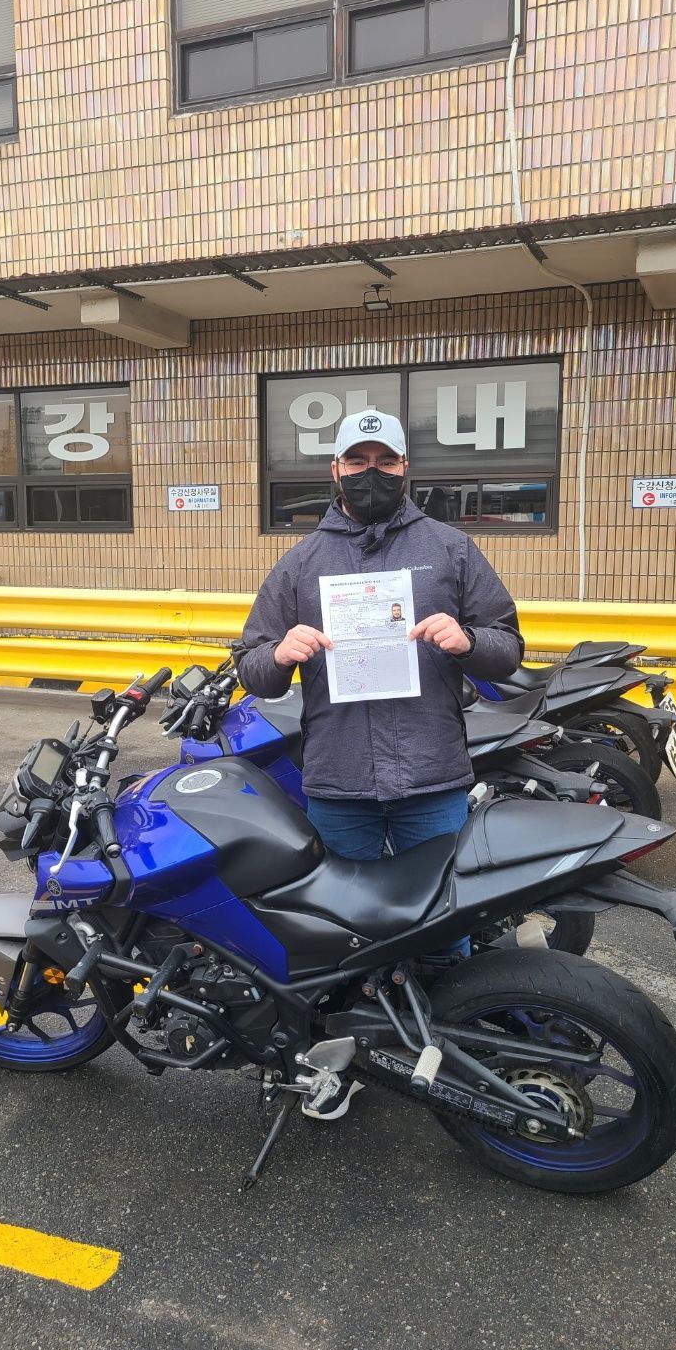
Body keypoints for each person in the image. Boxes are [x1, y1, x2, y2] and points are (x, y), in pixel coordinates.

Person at [236, 410, 523, 1118]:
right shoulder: (300, 564)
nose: (371, 473)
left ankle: (461, 1057)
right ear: (334, 471)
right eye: (356, 460)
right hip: (339, 783)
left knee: (445, 928)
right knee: (347, 938)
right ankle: (353, 1059)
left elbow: (510, 647)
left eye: (384, 460)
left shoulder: (450, 550)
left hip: (433, 777)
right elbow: (250, 665)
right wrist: (278, 655)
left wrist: (467, 641)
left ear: (405, 468)